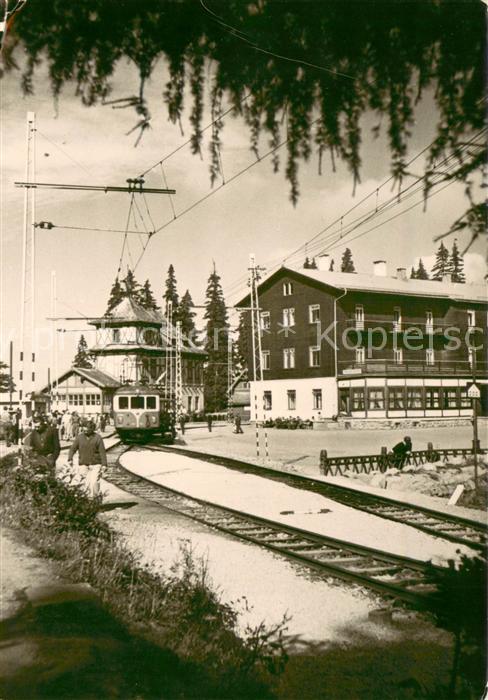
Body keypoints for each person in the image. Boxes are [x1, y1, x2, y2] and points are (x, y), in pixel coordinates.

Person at [68, 420, 107, 498]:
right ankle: (84, 500)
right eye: (84, 428)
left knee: (94, 482)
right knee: (83, 482)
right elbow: (73, 448)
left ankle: (95, 499)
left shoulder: (97, 438)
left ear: (92, 429)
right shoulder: (79, 437)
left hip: (95, 464)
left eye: (87, 428)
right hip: (83, 463)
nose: (85, 429)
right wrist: (70, 458)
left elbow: (102, 452)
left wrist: (104, 464)